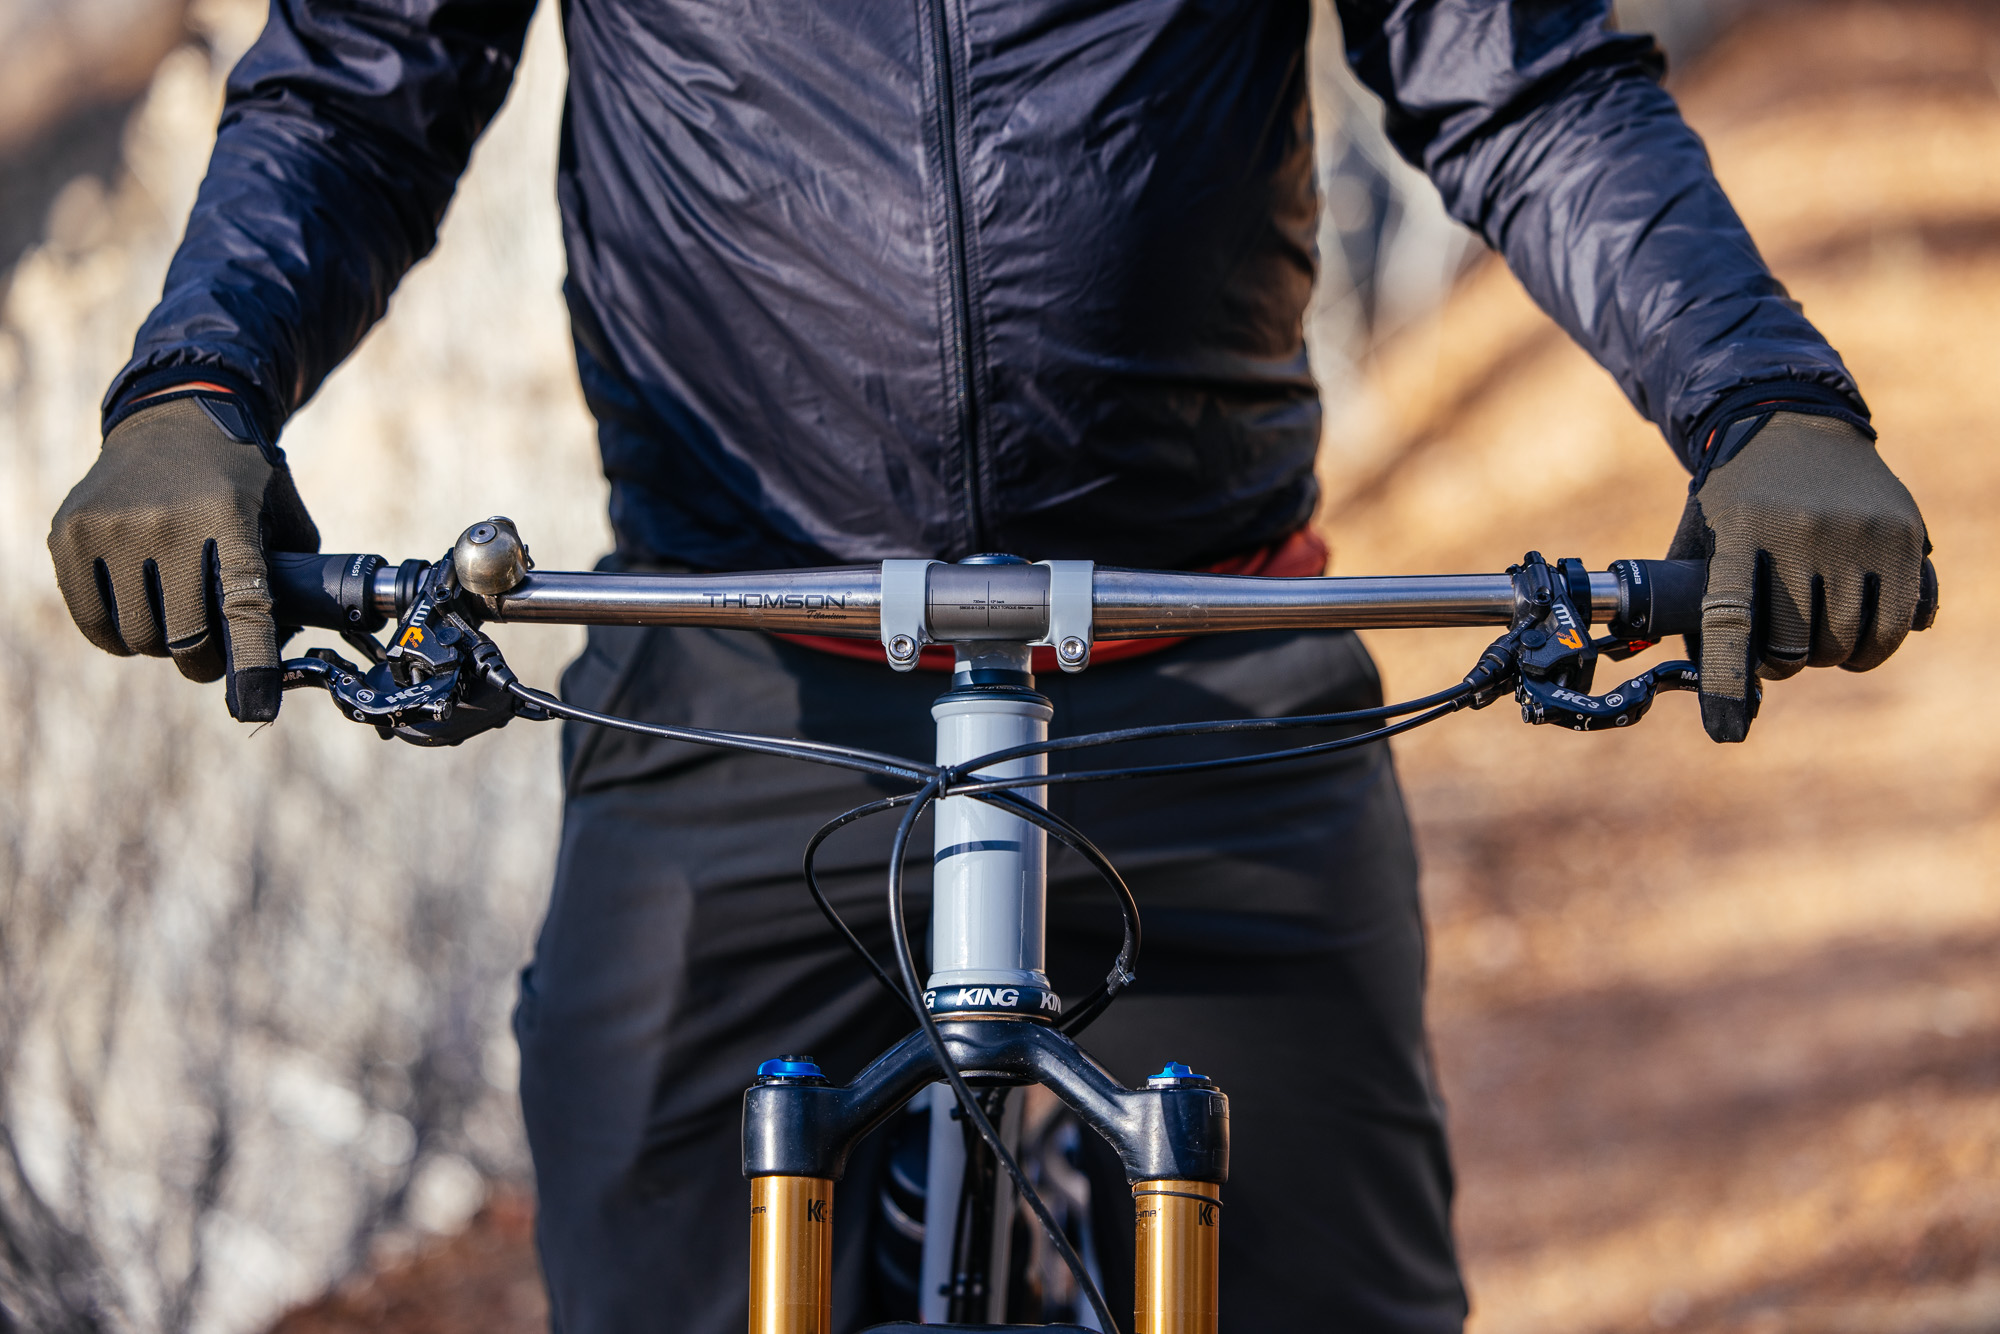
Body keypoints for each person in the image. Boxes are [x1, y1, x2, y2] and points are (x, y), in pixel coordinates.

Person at [46, 2, 1929, 1330]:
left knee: (1333, 1286)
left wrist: (1759, 409)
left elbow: (1519, 80)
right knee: (654, 1258)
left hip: (1205, 654)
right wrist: (195, 394)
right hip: (740, 668)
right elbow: (369, 84)